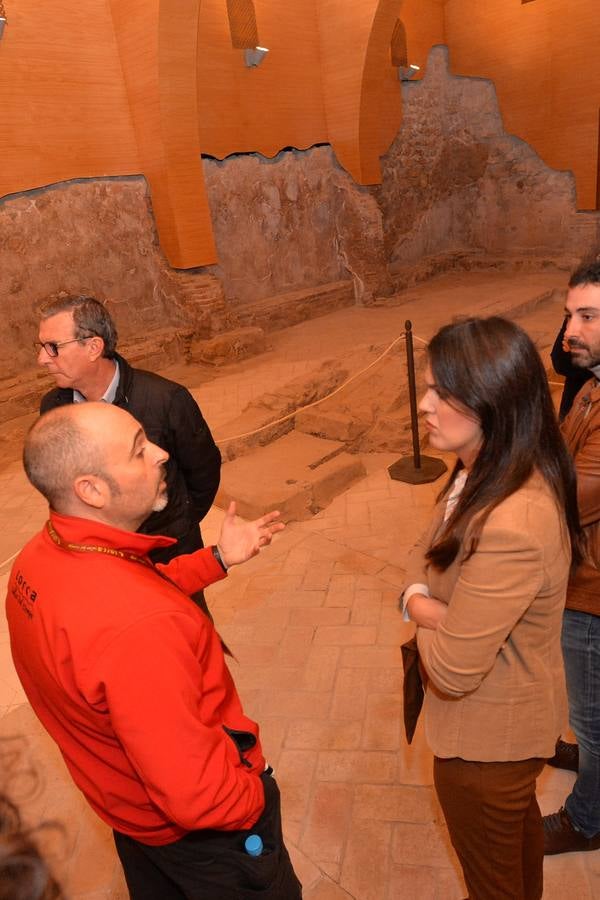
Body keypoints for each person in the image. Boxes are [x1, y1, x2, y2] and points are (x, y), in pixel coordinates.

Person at [6, 402, 301, 900]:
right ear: (91, 489)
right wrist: (258, 793)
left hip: (129, 812)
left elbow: (138, 585)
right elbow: (196, 794)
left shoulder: (41, 556)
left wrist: (217, 558)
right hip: (201, 842)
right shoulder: (138, 628)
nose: (162, 454)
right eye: (140, 450)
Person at [402, 316, 581, 900]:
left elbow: (454, 668)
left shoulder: (513, 519)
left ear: (494, 404)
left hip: (487, 742)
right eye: (427, 387)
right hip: (504, 728)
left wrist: (419, 608)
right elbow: (423, 552)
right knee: (516, 855)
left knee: (493, 884)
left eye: (443, 393)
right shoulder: (482, 468)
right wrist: (423, 597)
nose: (424, 405)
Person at [36, 294, 221, 613]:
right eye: (40, 347)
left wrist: (176, 524)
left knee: (186, 630)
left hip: (170, 549)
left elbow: (204, 473)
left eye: (53, 347)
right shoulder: (54, 408)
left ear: (93, 347)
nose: (42, 359)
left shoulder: (166, 400)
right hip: (100, 557)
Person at [542, 260, 600, 855]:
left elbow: (565, 498)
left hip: (593, 587)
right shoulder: (590, 383)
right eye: (569, 315)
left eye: (587, 316)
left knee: (595, 715)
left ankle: (589, 819)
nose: (569, 332)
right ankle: (587, 750)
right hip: (581, 571)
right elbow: (560, 451)